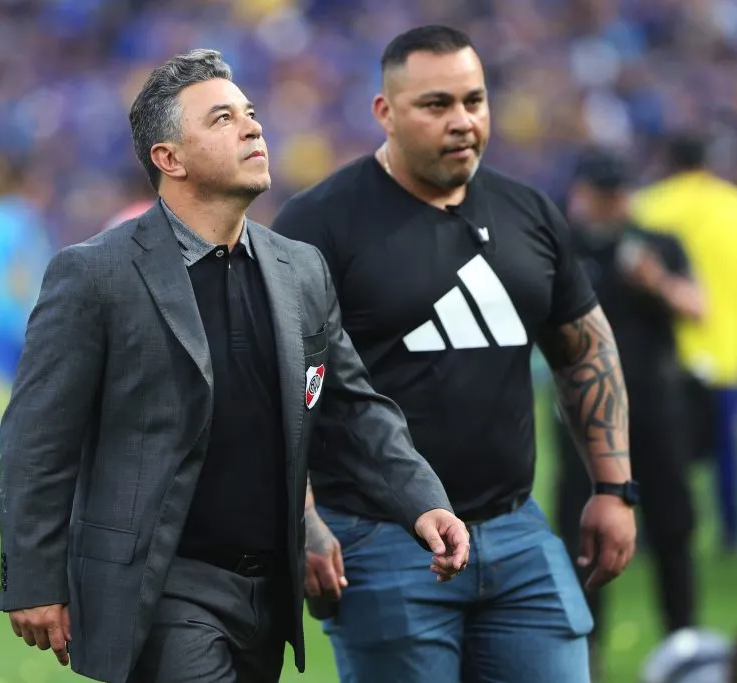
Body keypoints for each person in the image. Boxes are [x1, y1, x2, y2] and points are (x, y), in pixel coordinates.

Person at [0, 49, 471, 683]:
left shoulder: (299, 268)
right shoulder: (94, 274)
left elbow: (352, 408)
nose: (253, 128)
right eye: (222, 119)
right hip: (160, 585)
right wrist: (32, 575)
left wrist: (422, 501)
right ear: (170, 159)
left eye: (250, 114)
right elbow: (38, 437)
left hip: (267, 588)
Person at [272, 25, 637, 683]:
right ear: (384, 112)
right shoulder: (317, 224)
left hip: (516, 526)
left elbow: (585, 348)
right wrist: (302, 520)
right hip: (380, 537)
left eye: (475, 100)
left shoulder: (529, 211)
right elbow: (278, 386)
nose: (463, 120)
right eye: (436, 104)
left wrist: (613, 487)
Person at [554, 148, 704, 678]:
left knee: (673, 527)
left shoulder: (655, 244)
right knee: (583, 535)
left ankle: (684, 645)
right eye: (603, 190)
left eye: (619, 190)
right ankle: (584, 651)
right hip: (584, 415)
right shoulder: (565, 249)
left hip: (655, 407)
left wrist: (655, 280)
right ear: (583, 194)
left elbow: (698, 307)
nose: (613, 201)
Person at [629, 133, 737, 550]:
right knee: (727, 452)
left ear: (668, 160)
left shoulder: (648, 206)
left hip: (667, 354)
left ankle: (651, 533)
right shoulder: (731, 205)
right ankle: (730, 532)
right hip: (727, 352)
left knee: (657, 451)